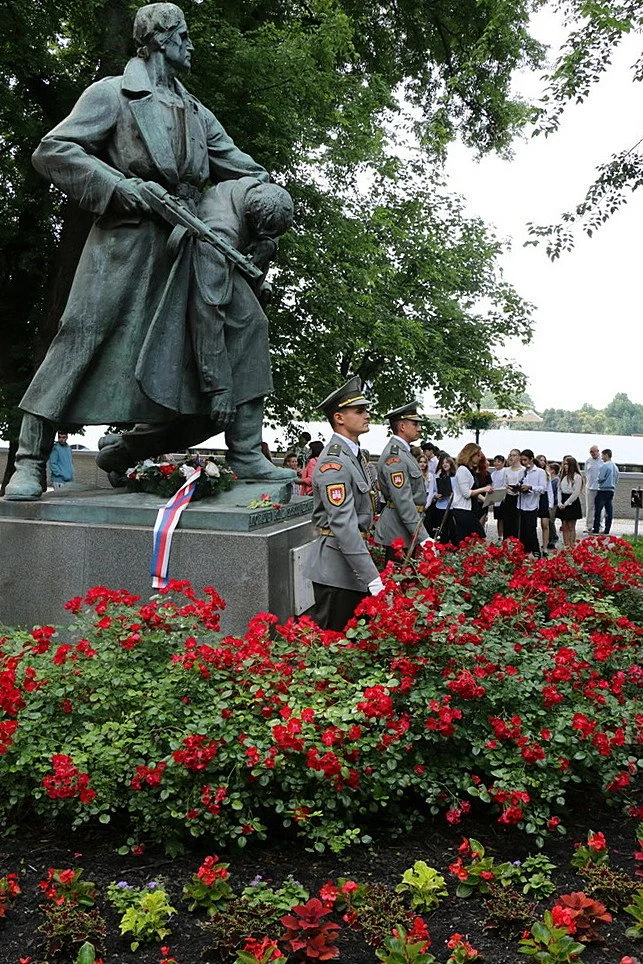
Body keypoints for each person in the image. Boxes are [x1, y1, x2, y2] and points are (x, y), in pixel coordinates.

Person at [6, 2, 293, 500]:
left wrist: (262, 208)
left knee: (248, 324)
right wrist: (120, 186)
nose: (191, 45)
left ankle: (244, 450)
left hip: (189, 245)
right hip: (127, 240)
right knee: (82, 336)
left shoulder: (197, 112)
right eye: (185, 36)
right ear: (162, 38)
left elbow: (247, 171)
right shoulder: (113, 93)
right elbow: (54, 150)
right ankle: (30, 460)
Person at [304, 376, 383, 631]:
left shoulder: (354, 456)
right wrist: (372, 577)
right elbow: (344, 525)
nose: (367, 415)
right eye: (359, 411)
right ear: (339, 418)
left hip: (349, 566)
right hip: (336, 571)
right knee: (335, 643)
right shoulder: (334, 463)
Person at [375, 402, 433, 561]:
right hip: (398, 530)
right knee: (397, 574)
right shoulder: (395, 456)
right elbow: (403, 500)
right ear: (402, 426)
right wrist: (423, 537)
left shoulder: (403, 452)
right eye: (415, 424)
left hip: (405, 528)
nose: (419, 428)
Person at [451, 443, 491, 545]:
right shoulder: (462, 470)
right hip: (462, 510)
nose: (480, 457)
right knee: (479, 535)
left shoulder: (470, 470)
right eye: (478, 455)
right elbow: (467, 493)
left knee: (465, 538)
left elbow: (473, 490)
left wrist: (485, 500)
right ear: (471, 454)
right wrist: (484, 489)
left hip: (469, 509)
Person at [514, 449, 547, 557]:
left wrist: (531, 487)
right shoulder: (522, 472)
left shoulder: (540, 472)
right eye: (522, 460)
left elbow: (543, 488)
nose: (523, 462)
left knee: (531, 531)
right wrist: (517, 488)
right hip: (521, 504)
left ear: (531, 459)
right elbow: (518, 483)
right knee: (521, 531)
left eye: (525, 460)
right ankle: (523, 553)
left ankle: (536, 553)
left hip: (532, 505)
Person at [556, 456, 583, 546]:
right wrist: (559, 502)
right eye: (564, 464)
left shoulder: (577, 477)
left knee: (571, 526)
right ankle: (566, 545)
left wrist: (566, 503)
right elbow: (559, 490)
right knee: (564, 525)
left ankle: (571, 545)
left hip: (572, 501)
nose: (565, 466)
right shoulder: (562, 476)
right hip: (563, 499)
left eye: (567, 464)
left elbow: (576, 492)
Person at [593, 448, 620, 535]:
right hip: (611, 490)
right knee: (609, 510)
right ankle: (607, 529)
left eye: (602, 455)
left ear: (606, 455)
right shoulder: (615, 467)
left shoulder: (605, 466)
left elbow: (600, 478)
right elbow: (617, 479)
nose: (601, 457)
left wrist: (599, 481)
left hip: (603, 490)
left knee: (598, 510)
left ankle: (596, 529)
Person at [432, 454, 456, 542]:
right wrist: (436, 495)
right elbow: (434, 490)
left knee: (452, 529)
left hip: (452, 507)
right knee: (442, 530)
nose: (445, 464)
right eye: (443, 463)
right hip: (440, 506)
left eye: (447, 462)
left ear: (451, 464)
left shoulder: (455, 477)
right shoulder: (438, 477)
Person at [501, 448, 523, 541]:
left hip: (518, 497)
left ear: (519, 457)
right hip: (508, 497)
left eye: (514, 455)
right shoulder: (506, 470)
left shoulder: (523, 470)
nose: (512, 457)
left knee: (516, 522)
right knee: (507, 521)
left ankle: (517, 541)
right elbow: (504, 483)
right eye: (510, 455)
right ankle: (506, 541)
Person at [535, 454, 554, 555]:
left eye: (544, 460)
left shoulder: (547, 474)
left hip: (544, 497)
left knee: (545, 524)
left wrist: (550, 503)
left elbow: (549, 489)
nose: (542, 462)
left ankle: (545, 547)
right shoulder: (534, 472)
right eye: (540, 460)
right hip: (535, 496)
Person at [471, 452, 492, 532]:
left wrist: (487, 499)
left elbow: (489, 487)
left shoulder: (486, 474)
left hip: (483, 504)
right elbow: (471, 489)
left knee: (480, 527)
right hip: (472, 502)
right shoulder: (470, 473)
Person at [584, 444, 602, 533]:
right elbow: (586, 474)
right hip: (590, 487)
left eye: (594, 451)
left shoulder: (603, 461)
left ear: (598, 451)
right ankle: (589, 526)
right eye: (591, 452)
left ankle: (599, 525)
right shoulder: (588, 461)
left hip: (600, 488)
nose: (593, 453)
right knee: (589, 507)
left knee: (600, 507)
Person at [490, 454, 506, 541]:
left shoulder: (505, 472)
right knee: (498, 518)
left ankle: (504, 535)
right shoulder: (493, 474)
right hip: (495, 498)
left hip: (503, 497)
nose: (496, 463)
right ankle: (499, 535)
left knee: (503, 518)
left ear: (503, 463)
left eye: (499, 461)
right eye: (495, 461)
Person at [547, 462, 561, 549]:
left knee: (550, 521)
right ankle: (550, 538)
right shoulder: (552, 480)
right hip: (552, 503)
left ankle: (553, 537)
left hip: (554, 504)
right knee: (549, 522)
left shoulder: (555, 481)